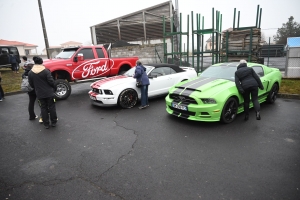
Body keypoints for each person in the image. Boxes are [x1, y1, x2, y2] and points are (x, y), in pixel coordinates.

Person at [28, 56, 58, 129]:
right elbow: (51, 81)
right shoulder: (46, 71)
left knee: (43, 108)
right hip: (49, 93)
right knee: (52, 107)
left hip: (39, 94)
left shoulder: (30, 73)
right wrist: (55, 87)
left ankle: (46, 124)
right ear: (42, 62)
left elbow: (31, 84)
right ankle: (53, 122)